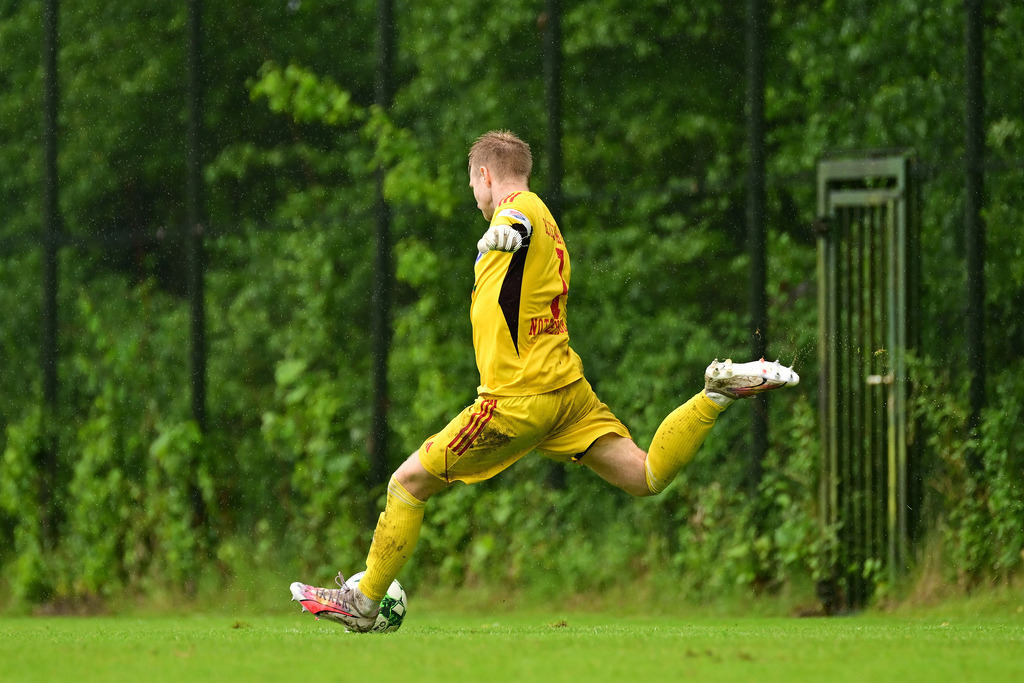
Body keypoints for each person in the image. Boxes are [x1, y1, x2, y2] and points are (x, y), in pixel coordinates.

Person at [289, 130, 798, 631]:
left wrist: (502, 231)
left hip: (517, 400)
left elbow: (515, 223)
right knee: (646, 477)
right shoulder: (548, 220)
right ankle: (714, 395)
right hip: (566, 394)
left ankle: (362, 600)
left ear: (484, 175)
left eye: (473, 185)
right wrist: (502, 238)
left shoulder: (522, 212)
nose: (475, 198)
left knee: (406, 484)